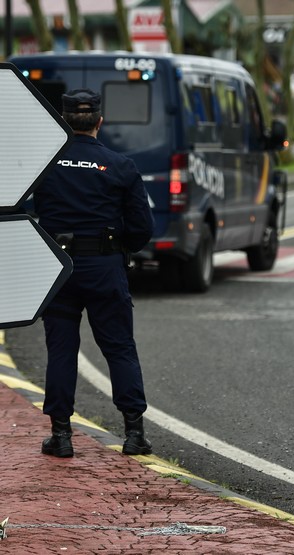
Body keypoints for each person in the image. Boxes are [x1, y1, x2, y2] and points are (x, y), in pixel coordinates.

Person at [34, 89, 154, 458]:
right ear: (100, 122)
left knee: (61, 351)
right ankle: (134, 434)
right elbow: (142, 228)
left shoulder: (44, 163)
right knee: (119, 348)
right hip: (104, 268)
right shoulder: (120, 166)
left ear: (64, 121)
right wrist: (119, 248)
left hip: (59, 268)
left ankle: (62, 436)